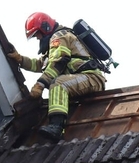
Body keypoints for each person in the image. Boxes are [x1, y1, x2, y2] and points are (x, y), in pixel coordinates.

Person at [7, 12, 107, 142]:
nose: (37, 38)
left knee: (58, 84)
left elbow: (57, 63)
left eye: (37, 33)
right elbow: (40, 64)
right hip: (83, 78)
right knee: (57, 83)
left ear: (45, 27)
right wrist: (20, 59)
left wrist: (40, 85)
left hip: (91, 77)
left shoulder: (59, 37)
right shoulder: (54, 43)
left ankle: (56, 127)